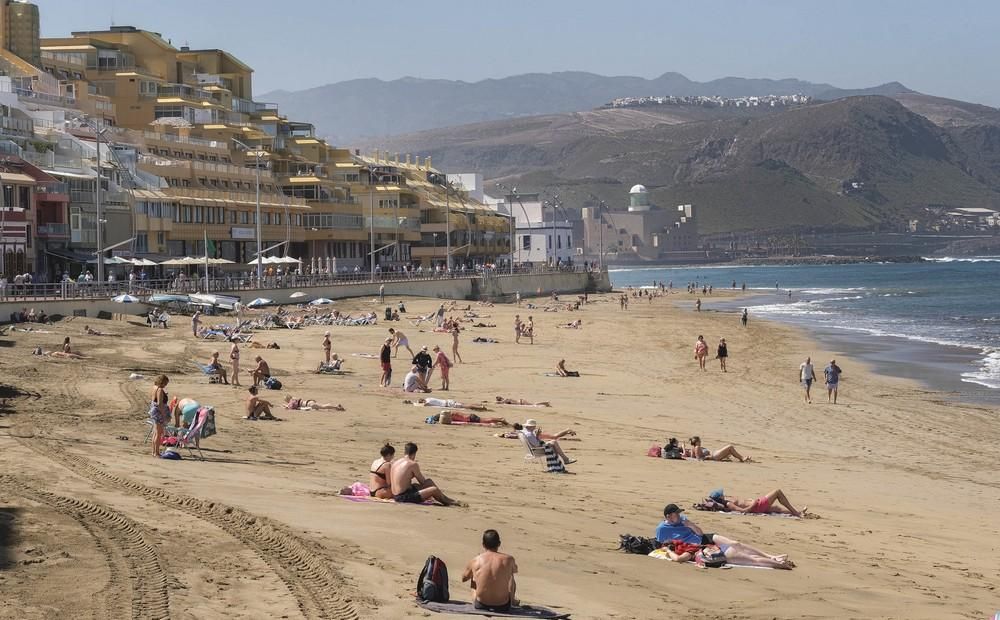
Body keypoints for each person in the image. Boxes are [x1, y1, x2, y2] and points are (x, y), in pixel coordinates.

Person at [655, 504, 794, 569]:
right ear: (668, 516)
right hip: (696, 546)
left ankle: (770, 556)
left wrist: (690, 524)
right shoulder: (662, 529)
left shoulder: (683, 520)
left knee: (736, 544)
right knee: (737, 554)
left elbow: (700, 533)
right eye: (676, 514)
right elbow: (661, 545)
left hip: (703, 538)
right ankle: (774, 562)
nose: (679, 516)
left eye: (679, 514)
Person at [389, 442, 462, 506]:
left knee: (426, 483)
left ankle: (446, 498)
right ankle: (448, 502)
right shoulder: (412, 464)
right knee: (433, 489)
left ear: (405, 452)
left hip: (395, 495)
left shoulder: (395, 462)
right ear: (414, 453)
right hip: (403, 497)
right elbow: (422, 482)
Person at [462, 530, 518, 612]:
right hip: (503, 605)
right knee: (511, 575)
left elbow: (464, 578)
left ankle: (475, 599)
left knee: (474, 576)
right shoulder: (509, 559)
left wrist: (475, 572)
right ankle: (512, 600)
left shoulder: (476, 560)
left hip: (481, 604)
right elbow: (515, 570)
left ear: (483, 545)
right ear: (499, 544)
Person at [708, 488, 807, 517]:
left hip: (757, 505)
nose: (724, 494)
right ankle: (796, 513)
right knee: (777, 492)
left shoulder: (727, 500)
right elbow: (743, 511)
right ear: (720, 497)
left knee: (777, 509)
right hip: (757, 506)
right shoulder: (729, 504)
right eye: (722, 494)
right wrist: (754, 503)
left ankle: (798, 512)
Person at [148, 375, 170, 457]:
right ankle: (156, 452)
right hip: (158, 412)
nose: (165, 385)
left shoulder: (154, 387)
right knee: (159, 433)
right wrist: (163, 415)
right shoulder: (160, 389)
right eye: (165, 383)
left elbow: (154, 400)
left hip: (154, 411)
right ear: (162, 382)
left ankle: (154, 451)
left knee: (155, 432)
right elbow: (160, 404)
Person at [685, 436, 751, 462]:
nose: (701, 442)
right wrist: (708, 457)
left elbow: (692, 456)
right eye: (699, 441)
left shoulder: (695, 448)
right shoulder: (697, 447)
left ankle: (741, 458)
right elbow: (699, 458)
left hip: (715, 454)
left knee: (730, 450)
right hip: (714, 455)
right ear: (697, 442)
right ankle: (742, 458)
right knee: (730, 447)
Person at [428, 411, 509, 426]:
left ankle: (500, 420)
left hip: (470, 418)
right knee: (485, 419)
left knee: (486, 420)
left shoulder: (450, 416)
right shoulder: (451, 413)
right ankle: (499, 419)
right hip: (470, 416)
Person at [406, 397, 489, 411]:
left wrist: (414, 403)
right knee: (464, 404)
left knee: (466, 406)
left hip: (448, 404)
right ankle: (479, 404)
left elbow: (424, 405)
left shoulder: (428, 402)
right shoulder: (428, 398)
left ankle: (481, 407)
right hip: (448, 401)